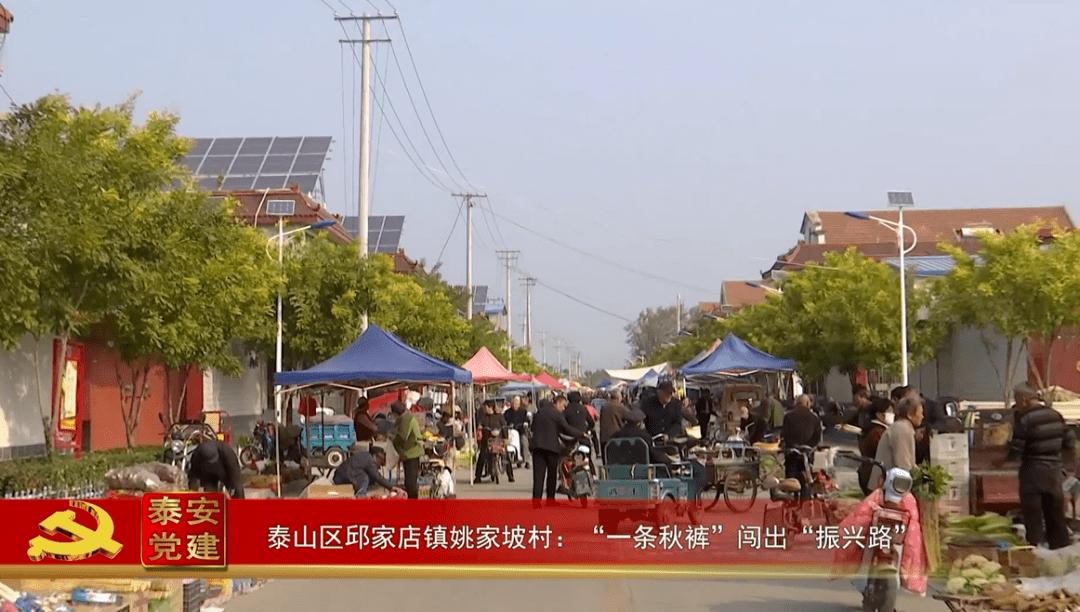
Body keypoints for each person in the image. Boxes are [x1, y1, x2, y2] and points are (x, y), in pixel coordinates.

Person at [996, 382, 1076, 550]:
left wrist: (1000, 462)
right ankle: (1061, 553)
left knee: (1033, 519)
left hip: (1032, 474)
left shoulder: (1025, 419)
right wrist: (1069, 469)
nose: (1016, 406)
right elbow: (1069, 443)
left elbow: (1016, 450)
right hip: (1054, 474)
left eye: (1017, 401)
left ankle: (1035, 555)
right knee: (1056, 518)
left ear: (1024, 400)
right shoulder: (1056, 415)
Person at [530, 395, 583, 507]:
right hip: (551, 448)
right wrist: (581, 434)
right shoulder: (556, 414)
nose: (563, 408)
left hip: (537, 447)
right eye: (563, 405)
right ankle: (550, 500)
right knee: (551, 474)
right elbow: (566, 428)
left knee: (538, 476)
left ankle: (536, 501)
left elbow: (532, 428)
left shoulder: (538, 413)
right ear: (558, 403)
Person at [870, 396, 923, 488]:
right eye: (920, 413)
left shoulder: (902, 427)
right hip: (885, 489)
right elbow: (903, 465)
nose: (922, 416)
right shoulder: (903, 429)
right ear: (910, 415)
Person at [781, 394, 822, 499]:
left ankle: (792, 503)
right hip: (807, 455)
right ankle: (805, 505)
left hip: (792, 454)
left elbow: (785, 435)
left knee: (792, 483)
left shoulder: (788, 416)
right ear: (808, 403)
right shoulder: (815, 418)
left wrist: (791, 445)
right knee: (806, 482)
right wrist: (809, 446)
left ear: (796, 404)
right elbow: (817, 437)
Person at [333, 444, 405, 497]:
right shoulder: (369, 460)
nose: (380, 465)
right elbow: (377, 476)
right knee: (364, 477)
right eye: (381, 460)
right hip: (343, 477)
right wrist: (391, 487)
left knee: (368, 477)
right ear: (376, 456)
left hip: (341, 475)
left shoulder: (365, 456)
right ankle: (361, 496)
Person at [609, 407, 674, 466]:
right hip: (641, 473)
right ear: (639, 423)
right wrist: (667, 460)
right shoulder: (643, 436)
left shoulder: (614, 436)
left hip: (618, 473)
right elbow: (653, 455)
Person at [857, 398, 894, 496]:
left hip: (867, 474)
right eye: (889, 411)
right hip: (874, 476)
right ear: (879, 415)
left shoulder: (872, 429)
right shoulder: (878, 432)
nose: (892, 414)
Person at [391, 400, 423, 499]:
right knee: (409, 480)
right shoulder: (405, 417)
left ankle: (412, 505)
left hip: (411, 452)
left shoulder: (405, 419)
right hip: (409, 452)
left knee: (410, 482)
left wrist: (392, 439)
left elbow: (402, 436)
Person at [475, 399, 513, 482]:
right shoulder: (484, 417)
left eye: (486, 407)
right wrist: (480, 426)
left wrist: (505, 438)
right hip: (487, 441)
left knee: (505, 455)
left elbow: (504, 426)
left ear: (490, 407)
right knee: (482, 455)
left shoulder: (499, 416)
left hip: (499, 440)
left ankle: (510, 475)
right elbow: (480, 424)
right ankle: (478, 476)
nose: (485, 409)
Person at [599, 389, 630, 455]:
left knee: (606, 461)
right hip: (615, 438)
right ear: (619, 397)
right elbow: (631, 416)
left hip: (604, 438)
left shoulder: (604, 407)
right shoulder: (619, 407)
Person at [504, 396, 532, 469]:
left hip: (521, 430)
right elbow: (504, 420)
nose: (514, 405)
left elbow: (527, 418)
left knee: (524, 442)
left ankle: (527, 461)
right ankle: (513, 459)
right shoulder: (507, 412)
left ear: (519, 404)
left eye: (516, 404)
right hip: (511, 431)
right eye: (513, 404)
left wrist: (525, 422)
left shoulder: (523, 411)